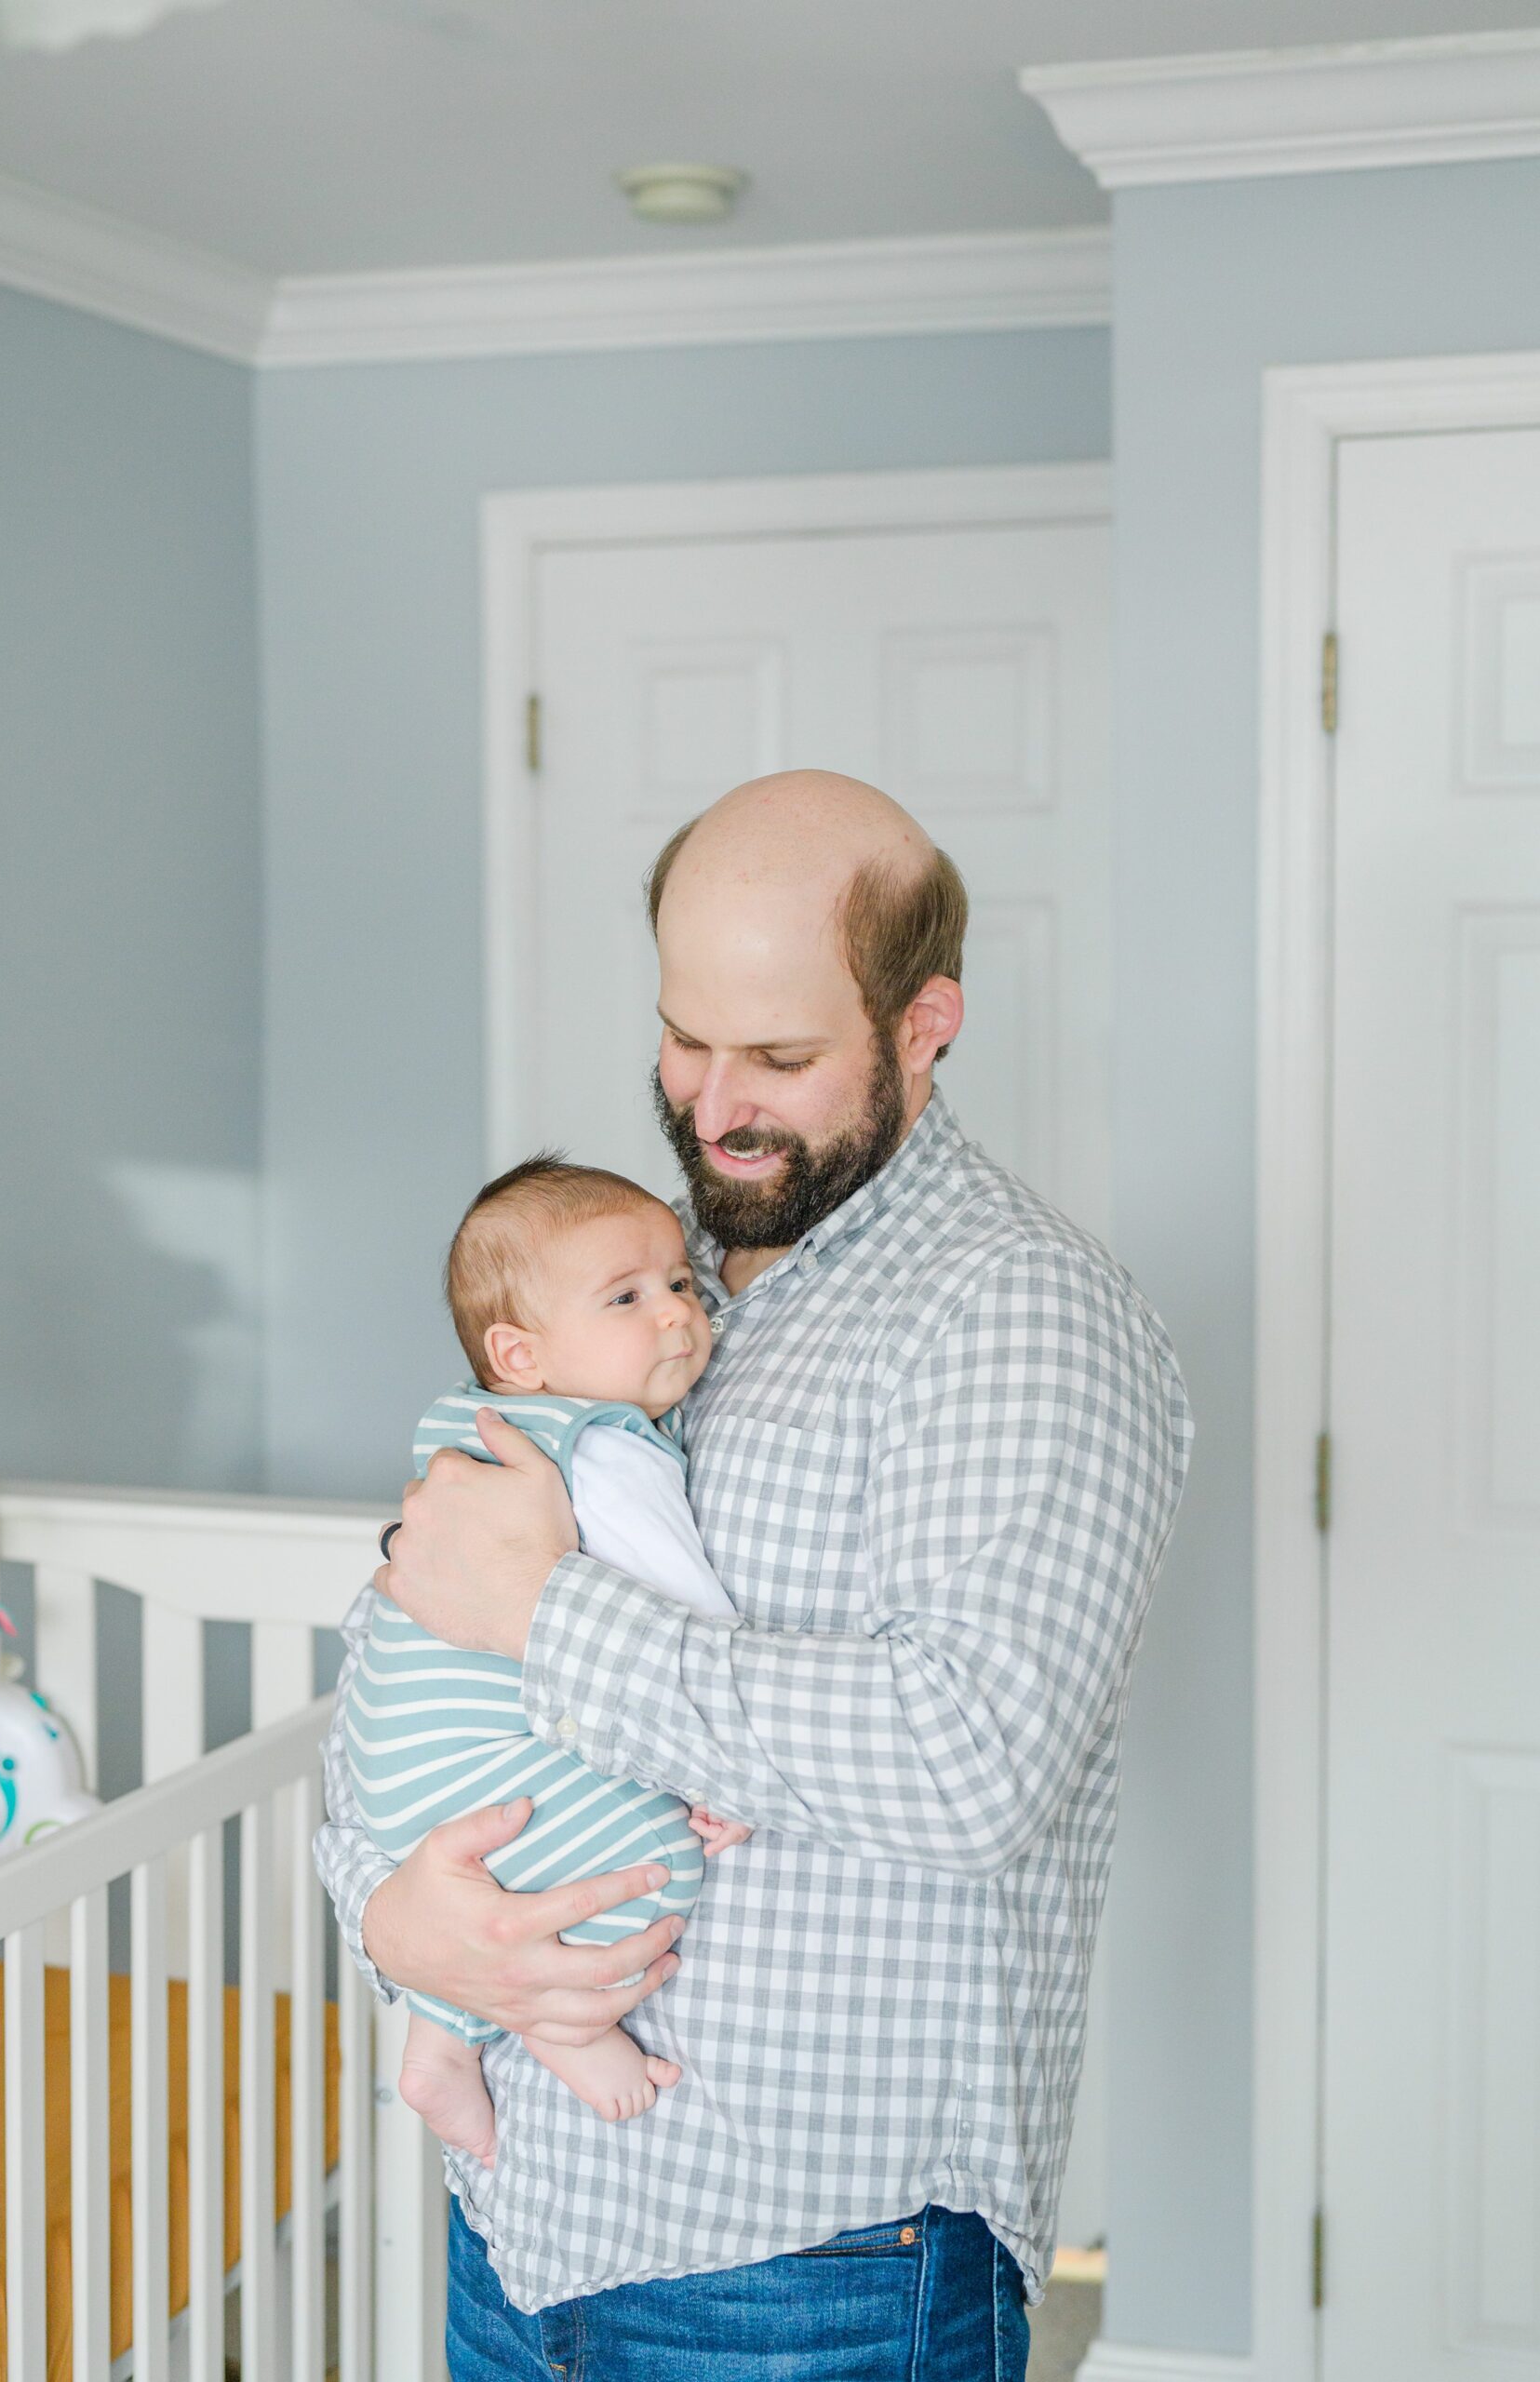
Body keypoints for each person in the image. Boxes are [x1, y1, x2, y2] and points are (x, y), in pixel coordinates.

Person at [316, 769, 1194, 2381]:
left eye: (779, 1060)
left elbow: (966, 1760)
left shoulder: (1021, 1319)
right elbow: (407, 1647)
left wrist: (551, 1612)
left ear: (921, 1022)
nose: (711, 1104)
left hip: (808, 2270)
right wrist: (391, 1921)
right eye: (682, 1037)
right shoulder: (606, 1270)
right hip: (523, 2216)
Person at [348, 1157, 749, 2165]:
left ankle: (438, 2046)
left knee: (494, 1882)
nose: (674, 1314)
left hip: (401, 1770)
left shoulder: (465, 1432)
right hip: (494, 1768)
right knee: (653, 1872)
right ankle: (565, 2028)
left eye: (680, 1285)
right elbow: (687, 1625)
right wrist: (725, 1776)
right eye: (626, 1297)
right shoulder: (608, 1450)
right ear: (519, 1353)